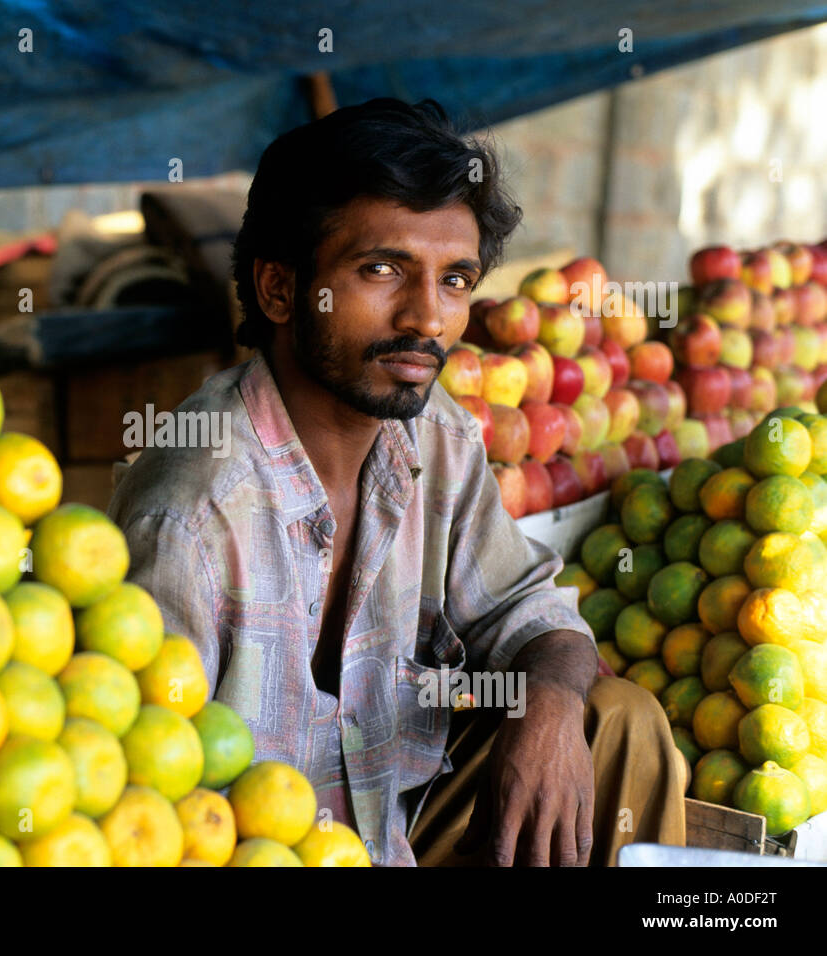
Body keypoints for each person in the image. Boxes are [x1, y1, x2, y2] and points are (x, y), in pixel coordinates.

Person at [108, 97, 687, 866]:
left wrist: (546, 704)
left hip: (398, 828)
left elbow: (527, 609)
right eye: (381, 269)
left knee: (614, 720)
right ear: (280, 289)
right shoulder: (191, 512)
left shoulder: (432, 432)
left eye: (455, 280)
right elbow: (142, 794)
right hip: (258, 853)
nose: (427, 318)